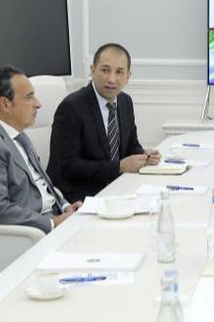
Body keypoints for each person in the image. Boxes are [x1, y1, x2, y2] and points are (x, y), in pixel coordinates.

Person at [0, 66, 82, 234]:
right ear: (5, 104)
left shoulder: (17, 133)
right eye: (29, 97)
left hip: (55, 218)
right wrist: (52, 223)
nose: (38, 104)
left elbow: (42, 185)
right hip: (31, 234)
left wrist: (66, 207)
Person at [47, 43, 161, 202]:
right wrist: (119, 167)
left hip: (116, 188)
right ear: (93, 70)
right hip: (78, 197)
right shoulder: (72, 107)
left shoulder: (125, 102)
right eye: (105, 70)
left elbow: (130, 145)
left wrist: (144, 155)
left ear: (128, 76)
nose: (111, 79)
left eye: (119, 72)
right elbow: (69, 166)